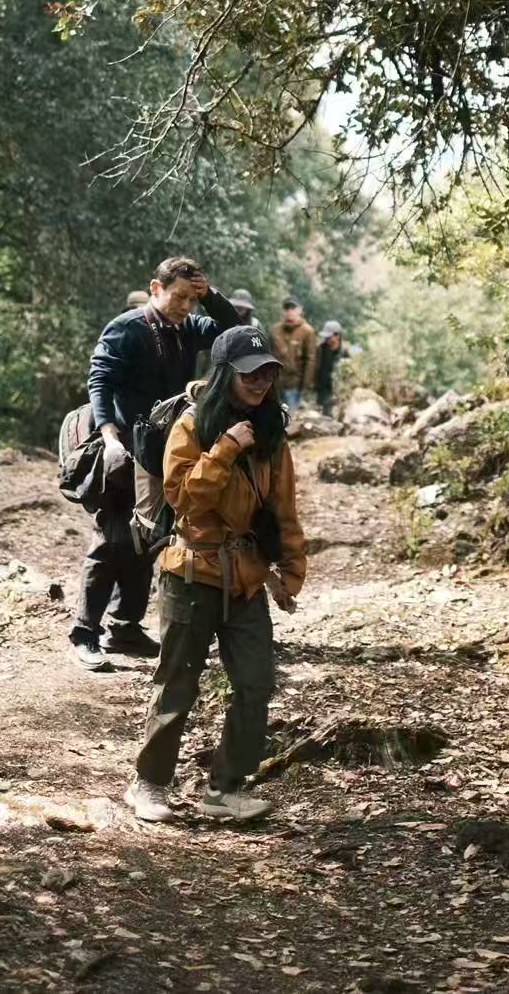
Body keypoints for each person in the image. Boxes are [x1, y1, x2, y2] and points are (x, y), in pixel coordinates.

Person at [125, 325, 306, 823]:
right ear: (226, 373)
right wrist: (225, 448)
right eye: (251, 373)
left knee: (255, 682)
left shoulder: (272, 433)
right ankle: (150, 784)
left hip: (245, 578)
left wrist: (292, 570)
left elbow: (285, 508)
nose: (261, 381)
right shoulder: (191, 426)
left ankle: (226, 787)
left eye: (268, 372)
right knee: (177, 683)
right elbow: (183, 498)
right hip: (190, 570)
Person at [69, 257, 240, 672]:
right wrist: (109, 437)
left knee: (151, 536)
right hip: (123, 445)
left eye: (190, 298)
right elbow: (100, 383)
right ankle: (85, 632)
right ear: (155, 288)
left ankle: (124, 626)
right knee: (112, 536)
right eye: (178, 296)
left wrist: (210, 295)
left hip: (166, 447)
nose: (184, 305)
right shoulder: (127, 328)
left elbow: (234, 333)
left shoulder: (190, 328)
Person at [269, 297, 317, 412]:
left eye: (293, 308)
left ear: (300, 310)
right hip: (274, 384)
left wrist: (306, 387)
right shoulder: (274, 331)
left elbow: (311, 360)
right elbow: (267, 355)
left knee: (291, 419)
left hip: (294, 385)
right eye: (287, 308)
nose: (290, 311)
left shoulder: (307, 331)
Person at [316, 320, 347, 418]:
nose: (327, 339)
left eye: (329, 337)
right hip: (323, 389)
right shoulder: (320, 349)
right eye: (326, 337)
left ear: (337, 335)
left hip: (340, 390)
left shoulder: (346, 351)